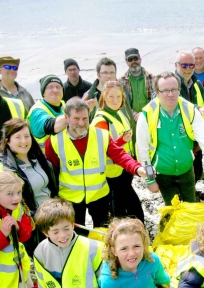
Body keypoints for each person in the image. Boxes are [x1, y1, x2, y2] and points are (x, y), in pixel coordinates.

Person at [45, 98, 147, 230]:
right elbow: (52, 171)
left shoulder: (101, 135)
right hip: (70, 199)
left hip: (99, 196)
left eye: (85, 118)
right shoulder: (54, 141)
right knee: (76, 233)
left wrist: (137, 168)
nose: (81, 123)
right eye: (76, 118)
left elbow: (119, 155)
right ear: (66, 118)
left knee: (102, 231)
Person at [136, 71, 204, 206]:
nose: (171, 94)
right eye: (165, 90)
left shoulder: (190, 110)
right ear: (157, 92)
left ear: (179, 90)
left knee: (191, 205)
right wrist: (150, 180)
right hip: (163, 173)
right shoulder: (146, 115)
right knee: (173, 209)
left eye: (174, 89)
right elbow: (142, 150)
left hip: (186, 171)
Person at [0, 118, 58, 255]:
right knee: (42, 256)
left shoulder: (37, 158)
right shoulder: (0, 168)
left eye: (26, 136)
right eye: (18, 137)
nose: (24, 141)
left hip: (50, 216)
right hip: (30, 223)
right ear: (7, 141)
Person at [92, 82, 144, 222]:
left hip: (124, 170)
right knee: (131, 206)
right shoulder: (101, 120)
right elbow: (101, 149)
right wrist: (121, 141)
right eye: (111, 96)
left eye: (118, 96)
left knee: (122, 205)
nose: (115, 100)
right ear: (104, 96)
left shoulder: (119, 113)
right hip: (112, 174)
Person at [176, 50, 204, 182]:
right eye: (184, 65)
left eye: (191, 65)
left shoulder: (197, 84)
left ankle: (191, 197)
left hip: (197, 137)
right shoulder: (170, 84)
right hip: (179, 139)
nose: (188, 69)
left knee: (197, 171)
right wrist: (197, 108)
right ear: (176, 65)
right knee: (181, 175)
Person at [27, 75, 67, 150]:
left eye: (58, 87)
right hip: (43, 159)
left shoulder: (63, 105)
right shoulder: (37, 111)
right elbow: (50, 126)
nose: (55, 90)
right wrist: (76, 115)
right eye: (50, 87)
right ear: (43, 93)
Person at [119, 48, 155, 121]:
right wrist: (135, 115)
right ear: (126, 62)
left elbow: (155, 99)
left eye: (135, 58)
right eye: (130, 60)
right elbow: (122, 103)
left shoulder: (152, 78)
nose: (133, 62)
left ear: (140, 59)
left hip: (149, 117)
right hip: (131, 119)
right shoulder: (121, 81)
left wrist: (144, 113)